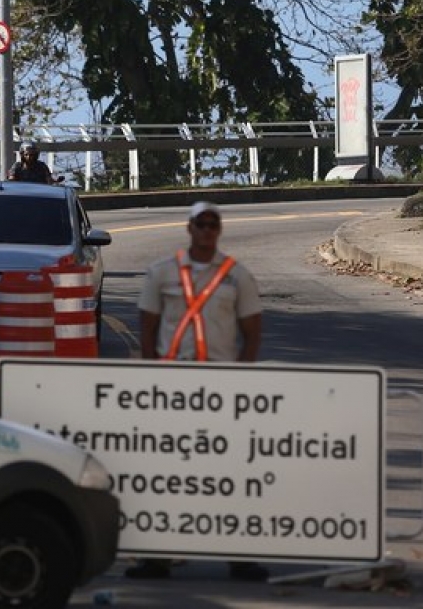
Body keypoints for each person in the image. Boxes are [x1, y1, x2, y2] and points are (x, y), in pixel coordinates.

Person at [128, 200, 266, 582]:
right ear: (189, 228)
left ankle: (239, 557)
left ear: (218, 230)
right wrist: (153, 376)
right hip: (174, 385)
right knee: (167, 475)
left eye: (212, 224)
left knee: (227, 474)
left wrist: (243, 380)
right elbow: (148, 326)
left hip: (221, 388)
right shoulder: (162, 273)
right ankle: (157, 557)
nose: (206, 230)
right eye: (200, 224)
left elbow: (252, 331)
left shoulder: (237, 276)